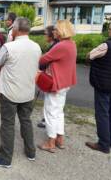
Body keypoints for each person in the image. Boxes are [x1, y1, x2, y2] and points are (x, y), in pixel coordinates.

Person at [0, 18, 41, 168]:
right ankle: (31, 152)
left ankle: (5, 158)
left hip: (10, 92)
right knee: (26, 121)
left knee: (8, 124)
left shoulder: (9, 47)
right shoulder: (36, 47)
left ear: (15, 30)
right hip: (28, 91)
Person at [37, 20, 77, 153]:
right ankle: (60, 139)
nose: (54, 31)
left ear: (61, 31)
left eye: (55, 29)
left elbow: (43, 60)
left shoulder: (61, 46)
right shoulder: (72, 44)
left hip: (56, 83)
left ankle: (51, 142)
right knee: (59, 111)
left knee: (50, 112)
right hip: (65, 82)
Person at [85, 19, 111, 154]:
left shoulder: (106, 45)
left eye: (110, 29)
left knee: (102, 113)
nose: (108, 31)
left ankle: (103, 144)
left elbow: (90, 55)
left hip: (104, 84)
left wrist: (89, 58)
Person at [37, 25, 59, 128]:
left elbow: (45, 60)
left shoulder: (55, 46)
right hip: (51, 75)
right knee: (50, 101)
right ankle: (47, 120)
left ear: (51, 35)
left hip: (51, 76)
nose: (44, 36)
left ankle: (48, 122)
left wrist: (40, 65)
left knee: (51, 102)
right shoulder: (54, 45)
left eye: (46, 34)